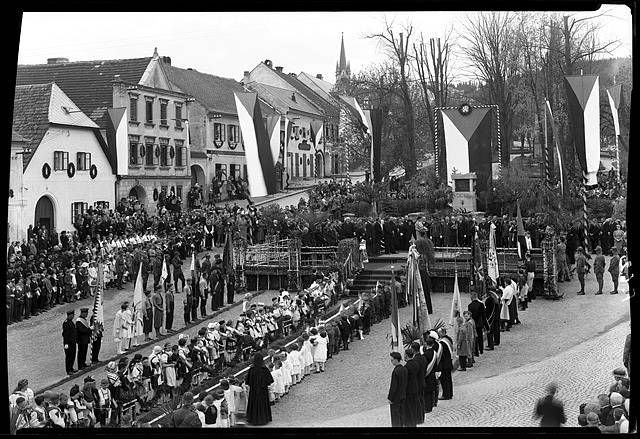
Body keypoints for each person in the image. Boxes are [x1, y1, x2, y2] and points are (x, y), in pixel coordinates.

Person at [245, 353, 274, 426]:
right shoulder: (265, 369)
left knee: (254, 404)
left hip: (254, 391)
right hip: (263, 391)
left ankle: (253, 419)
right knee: (263, 404)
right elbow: (269, 381)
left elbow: (248, 381)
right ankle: (263, 419)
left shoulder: (251, 369)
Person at [387, 351, 408, 427]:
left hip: (396, 398)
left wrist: (390, 398)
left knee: (395, 418)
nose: (391, 362)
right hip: (403, 396)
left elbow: (393, 386)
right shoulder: (404, 369)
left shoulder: (396, 371)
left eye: (392, 360)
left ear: (396, 360)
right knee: (402, 416)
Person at [402, 348, 420, 427]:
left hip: (409, 390)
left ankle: (410, 423)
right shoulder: (416, 363)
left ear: (406, 355)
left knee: (409, 408)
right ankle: (413, 423)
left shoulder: (407, 367)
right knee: (413, 407)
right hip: (415, 387)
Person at [436, 327, 454, 400]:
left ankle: (446, 395)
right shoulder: (449, 339)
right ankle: (450, 393)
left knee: (445, 380)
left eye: (439, 332)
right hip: (449, 362)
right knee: (449, 379)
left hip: (444, 364)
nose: (438, 334)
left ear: (443, 333)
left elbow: (441, 354)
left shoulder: (442, 343)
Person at [467, 291, 486, 357]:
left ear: (472, 297)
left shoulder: (470, 305)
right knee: (480, 336)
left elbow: (470, 316)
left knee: (475, 337)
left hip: (473, 323)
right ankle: (481, 350)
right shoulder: (481, 304)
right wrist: (485, 324)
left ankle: (476, 351)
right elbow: (483, 316)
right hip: (480, 323)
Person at [63, 309, 77, 375]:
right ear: (69, 315)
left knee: (72, 356)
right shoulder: (66, 323)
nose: (73, 316)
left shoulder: (71, 322)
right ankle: (68, 370)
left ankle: (71, 368)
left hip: (73, 342)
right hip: (69, 343)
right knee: (69, 357)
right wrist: (66, 343)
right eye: (72, 315)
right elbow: (65, 334)